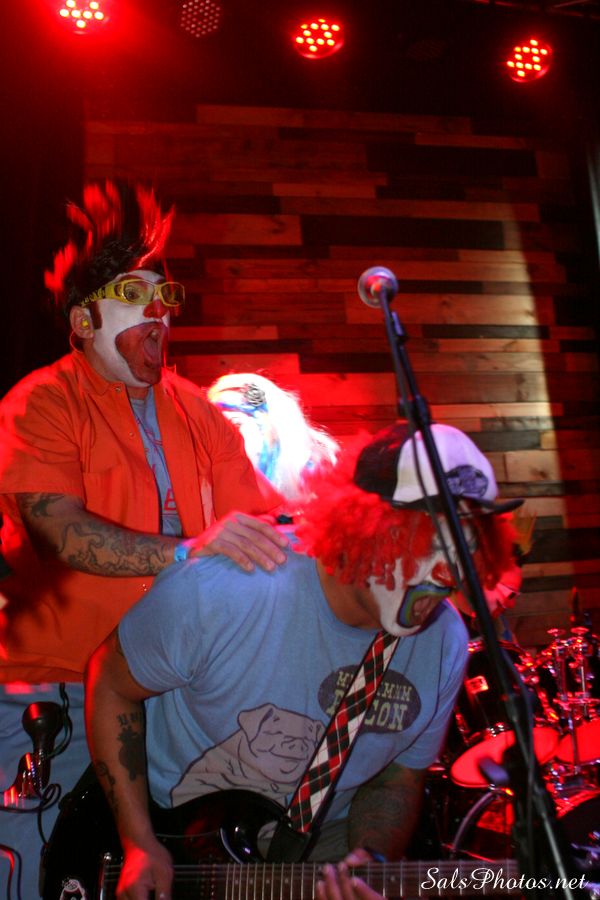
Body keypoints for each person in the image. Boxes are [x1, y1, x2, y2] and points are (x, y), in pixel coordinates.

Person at [84, 421, 519, 899]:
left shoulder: (443, 642)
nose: (446, 574)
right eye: (425, 541)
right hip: (171, 845)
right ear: (360, 528)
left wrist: (370, 858)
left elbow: (397, 775)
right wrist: (138, 841)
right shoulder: (227, 590)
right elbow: (111, 683)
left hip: (312, 857)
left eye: (466, 549)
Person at [0, 180, 286, 899]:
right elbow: (61, 533)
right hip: (51, 697)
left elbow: (265, 526)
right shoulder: (41, 402)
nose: (160, 312)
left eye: (167, 297)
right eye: (136, 294)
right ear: (84, 321)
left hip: (159, 697)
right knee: (39, 879)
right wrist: (189, 552)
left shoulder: (197, 409)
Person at [207, 371, 339, 515]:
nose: (222, 442)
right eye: (211, 434)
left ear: (273, 429)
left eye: (235, 426)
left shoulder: (322, 486)